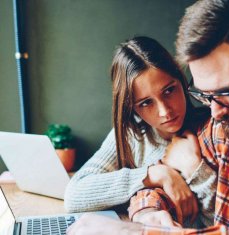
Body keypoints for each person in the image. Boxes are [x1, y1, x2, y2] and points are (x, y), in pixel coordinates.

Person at [67, 0, 229, 234]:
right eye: (204, 96)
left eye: (226, 93)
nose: (214, 112)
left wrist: (138, 232)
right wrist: (150, 212)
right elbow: (155, 192)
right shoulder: (223, 123)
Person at [64, 36, 214, 227]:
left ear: (181, 80)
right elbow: (74, 194)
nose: (164, 111)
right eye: (146, 103)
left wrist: (196, 170)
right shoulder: (133, 134)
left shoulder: (212, 130)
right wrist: (155, 174)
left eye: (168, 90)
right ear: (132, 108)